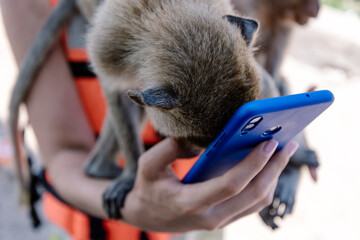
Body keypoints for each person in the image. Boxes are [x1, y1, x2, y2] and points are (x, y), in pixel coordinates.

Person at [0, 0, 298, 239]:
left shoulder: (219, 16)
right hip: (85, 220)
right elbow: (114, 105)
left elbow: (254, 74)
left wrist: (286, 140)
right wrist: (132, 182)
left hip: (200, 214)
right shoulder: (112, 46)